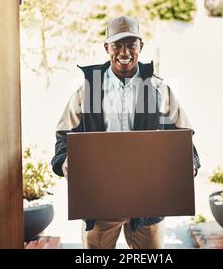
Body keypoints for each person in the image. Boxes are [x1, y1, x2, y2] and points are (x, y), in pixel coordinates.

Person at [51, 15, 200, 249]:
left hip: (148, 202)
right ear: (106, 48)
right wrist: (64, 162)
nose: (124, 52)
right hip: (100, 202)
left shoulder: (158, 89)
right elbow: (63, 135)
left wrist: (188, 163)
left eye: (131, 45)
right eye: (117, 45)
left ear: (141, 46)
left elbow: (184, 135)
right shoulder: (88, 90)